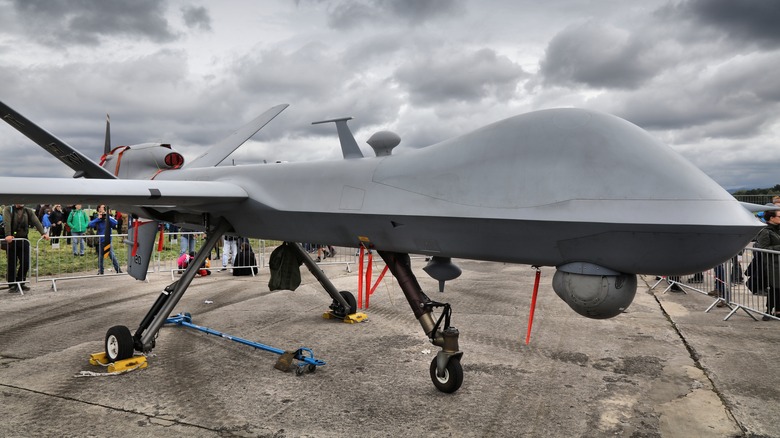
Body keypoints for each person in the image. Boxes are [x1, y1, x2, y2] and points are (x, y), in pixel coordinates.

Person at [3, 204, 49, 292]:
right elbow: (6, 223)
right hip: (12, 241)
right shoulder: (8, 209)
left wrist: (43, 233)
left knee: (26, 262)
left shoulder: (28, 211)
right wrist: (8, 235)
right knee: (12, 262)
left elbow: (36, 221)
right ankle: (12, 284)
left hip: (24, 239)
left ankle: (21, 282)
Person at [755, 210, 780, 321]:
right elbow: (763, 248)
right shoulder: (765, 231)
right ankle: (768, 310)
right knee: (774, 288)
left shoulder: (777, 229)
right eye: (779, 216)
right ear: (772, 218)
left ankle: (778, 311)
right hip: (772, 264)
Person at [88, 205, 122, 275]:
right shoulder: (98, 219)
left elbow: (115, 223)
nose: (102, 212)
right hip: (100, 241)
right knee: (100, 257)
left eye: (103, 210)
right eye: (100, 211)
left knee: (112, 255)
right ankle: (101, 271)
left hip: (108, 240)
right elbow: (90, 224)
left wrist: (107, 217)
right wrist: (98, 218)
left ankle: (118, 269)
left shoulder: (109, 218)